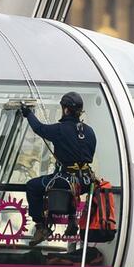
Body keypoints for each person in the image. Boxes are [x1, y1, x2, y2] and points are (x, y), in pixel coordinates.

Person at [21, 91, 97, 246]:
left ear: (66, 109)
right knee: (68, 188)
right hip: (86, 181)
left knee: (33, 186)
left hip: (67, 179)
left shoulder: (60, 129)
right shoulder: (89, 131)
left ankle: (41, 226)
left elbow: (39, 128)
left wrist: (28, 113)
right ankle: (72, 220)